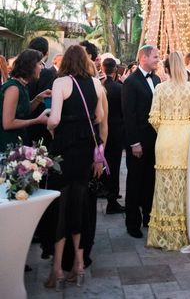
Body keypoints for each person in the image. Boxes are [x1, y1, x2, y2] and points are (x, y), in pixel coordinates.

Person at [46, 44, 105, 289]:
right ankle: (79, 264)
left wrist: (48, 122)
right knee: (78, 206)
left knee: (60, 208)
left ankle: (57, 269)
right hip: (84, 151)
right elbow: (99, 117)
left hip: (64, 149)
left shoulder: (61, 83)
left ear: (66, 62)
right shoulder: (96, 84)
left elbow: (55, 119)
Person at [147, 52, 190, 250]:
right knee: (184, 185)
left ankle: (163, 234)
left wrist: (164, 129)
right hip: (185, 137)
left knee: (164, 185)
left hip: (165, 137)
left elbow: (154, 117)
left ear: (167, 68)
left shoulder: (160, 88)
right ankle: (185, 231)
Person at [121, 44, 160, 238]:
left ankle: (148, 217)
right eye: (155, 56)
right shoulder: (131, 82)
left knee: (150, 180)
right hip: (138, 140)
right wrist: (134, 142)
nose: (158, 60)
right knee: (135, 181)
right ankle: (132, 223)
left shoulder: (157, 79)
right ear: (143, 58)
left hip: (155, 140)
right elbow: (128, 115)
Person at [0, 49, 51, 151]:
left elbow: (23, 111)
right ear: (30, 66)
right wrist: (37, 121)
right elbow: (8, 123)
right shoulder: (13, 88)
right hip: (8, 143)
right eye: (39, 64)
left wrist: (38, 98)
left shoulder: (22, 85)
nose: (41, 67)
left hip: (18, 139)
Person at [101, 57, 125, 214]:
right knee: (114, 165)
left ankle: (104, 190)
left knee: (104, 162)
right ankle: (112, 198)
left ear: (103, 68)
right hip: (116, 131)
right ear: (115, 69)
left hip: (102, 130)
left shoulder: (99, 86)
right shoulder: (119, 87)